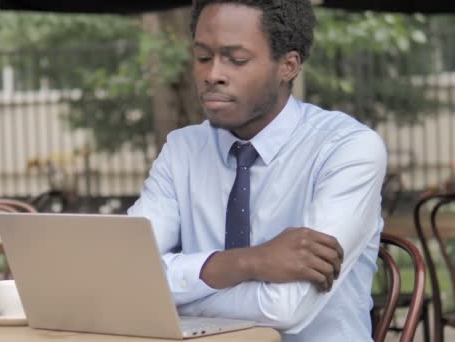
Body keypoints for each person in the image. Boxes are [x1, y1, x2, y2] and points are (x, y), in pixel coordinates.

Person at [127, 0, 386, 341]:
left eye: (236, 60)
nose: (212, 74)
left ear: (288, 66)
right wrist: (246, 262)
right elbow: (125, 271)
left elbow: (284, 309)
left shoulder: (347, 149)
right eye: (203, 57)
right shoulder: (183, 150)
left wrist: (171, 294)